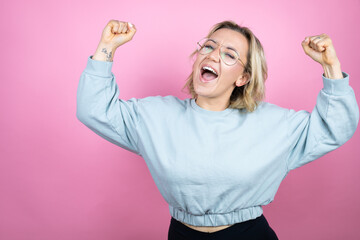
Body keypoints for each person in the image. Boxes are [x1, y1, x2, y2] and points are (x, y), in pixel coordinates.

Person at [76, 19, 359, 239]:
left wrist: (330, 66)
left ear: (243, 77)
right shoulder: (155, 116)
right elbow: (95, 110)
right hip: (182, 235)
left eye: (229, 54)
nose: (212, 55)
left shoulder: (274, 124)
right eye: (209, 46)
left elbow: (335, 127)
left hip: (249, 236)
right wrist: (106, 47)